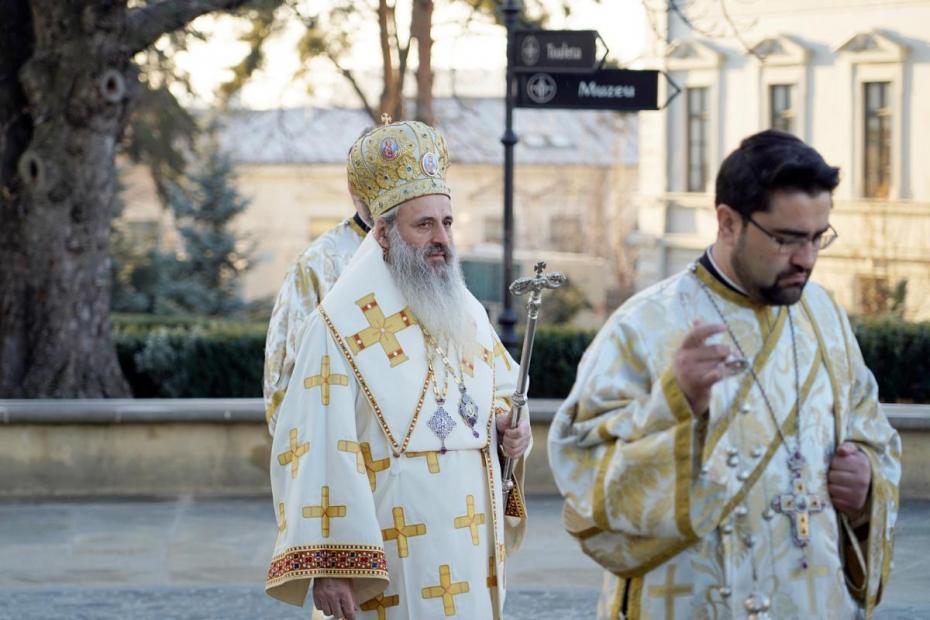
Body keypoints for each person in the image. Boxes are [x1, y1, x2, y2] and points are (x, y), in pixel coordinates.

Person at [548, 130, 900, 620]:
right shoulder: (644, 325)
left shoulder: (825, 315)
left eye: (818, 237)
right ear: (728, 222)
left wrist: (865, 482)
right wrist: (675, 403)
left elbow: (872, 433)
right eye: (787, 239)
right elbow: (579, 467)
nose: (807, 259)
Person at [264, 118, 531, 619]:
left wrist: (507, 430)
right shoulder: (337, 325)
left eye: (447, 223)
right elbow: (313, 443)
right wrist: (327, 562)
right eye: (423, 225)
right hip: (387, 554)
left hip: (468, 550)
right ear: (384, 233)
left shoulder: (466, 310)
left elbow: (501, 391)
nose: (441, 239)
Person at [263, 181, 372, 433]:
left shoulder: (429, 255)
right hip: (347, 439)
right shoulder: (319, 262)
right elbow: (284, 375)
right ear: (355, 190)